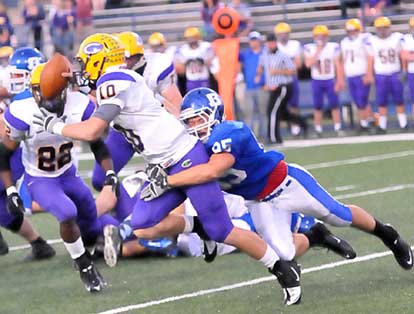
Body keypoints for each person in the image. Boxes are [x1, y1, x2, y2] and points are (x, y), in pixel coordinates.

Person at [33, 33, 304, 306]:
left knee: (223, 231)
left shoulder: (114, 81)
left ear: (100, 61)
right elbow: (93, 103)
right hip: (164, 165)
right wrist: (69, 87)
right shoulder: (114, 80)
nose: (81, 69)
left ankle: (282, 268)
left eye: (85, 62)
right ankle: (199, 227)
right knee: (142, 224)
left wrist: (52, 126)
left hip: (187, 157)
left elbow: (92, 130)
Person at [161, 87, 412, 274]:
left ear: (214, 114)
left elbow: (212, 171)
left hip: (286, 184)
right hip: (258, 201)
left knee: (340, 216)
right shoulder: (193, 144)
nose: (193, 126)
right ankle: (315, 236)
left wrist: (167, 181)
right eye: (189, 121)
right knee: (284, 253)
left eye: (198, 119)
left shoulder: (230, 132)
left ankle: (387, 234)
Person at [0, 60, 115, 293]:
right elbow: (4, 154)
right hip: (40, 178)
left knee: (90, 219)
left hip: (68, 173)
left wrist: (110, 173)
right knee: (67, 212)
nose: (44, 97)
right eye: (37, 91)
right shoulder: (22, 111)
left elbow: (97, 144)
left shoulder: (80, 105)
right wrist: (11, 190)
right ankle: (84, 266)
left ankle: (106, 237)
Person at [91, 31, 182, 193]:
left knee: (166, 180)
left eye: (128, 58)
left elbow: (176, 105)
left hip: (154, 130)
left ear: (140, 55)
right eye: (120, 57)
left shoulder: (156, 68)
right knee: (101, 179)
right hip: (123, 131)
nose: (124, 62)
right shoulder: (107, 71)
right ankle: (125, 210)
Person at [256, 33, 307, 144]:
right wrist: (259, 75)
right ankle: (302, 122)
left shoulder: (282, 55)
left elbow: (292, 70)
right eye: (268, 42)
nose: (270, 44)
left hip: (283, 86)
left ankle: (274, 138)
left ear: (275, 42)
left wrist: (278, 72)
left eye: (272, 42)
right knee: (282, 113)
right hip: (273, 88)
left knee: (272, 111)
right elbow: (261, 66)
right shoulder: (264, 54)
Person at [365, 16, 407, 133]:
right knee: (381, 101)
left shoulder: (397, 38)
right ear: (376, 29)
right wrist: (369, 73)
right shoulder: (372, 40)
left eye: (385, 28)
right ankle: (382, 126)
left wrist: (403, 69)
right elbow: (370, 58)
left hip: (395, 73)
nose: (382, 30)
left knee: (399, 100)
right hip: (380, 74)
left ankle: (403, 124)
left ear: (389, 28)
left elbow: (402, 55)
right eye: (380, 28)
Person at [304, 25, 345, 136]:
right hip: (317, 80)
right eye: (318, 36)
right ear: (314, 37)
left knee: (334, 105)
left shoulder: (333, 47)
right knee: (317, 105)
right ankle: (318, 129)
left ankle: (338, 127)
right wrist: (318, 50)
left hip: (330, 79)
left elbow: (338, 65)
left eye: (323, 36)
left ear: (327, 36)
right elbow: (308, 64)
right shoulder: (310, 48)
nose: (320, 38)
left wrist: (340, 80)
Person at [340, 18, 373, 133]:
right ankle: (366, 122)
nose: (352, 32)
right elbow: (343, 60)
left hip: (361, 74)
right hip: (351, 75)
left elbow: (370, 57)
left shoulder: (365, 39)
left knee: (362, 100)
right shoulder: (344, 42)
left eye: (354, 30)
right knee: (357, 101)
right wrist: (342, 78)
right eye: (350, 30)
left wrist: (368, 73)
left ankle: (365, 123)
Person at [274, 22, 303, 137]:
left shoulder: (295, 45)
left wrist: (282, 70)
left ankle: (295, 127)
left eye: (285, 33)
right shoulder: (275, 46)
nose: (283, 36)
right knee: (280, 106)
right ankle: (282, 128)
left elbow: (298, 64)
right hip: (278, 80)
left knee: (294, 104)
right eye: (280, 34)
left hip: (291, 79)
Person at [238, 31, 267, 141]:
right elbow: (235, 53)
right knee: (249, 113)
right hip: (249, 87)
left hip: (262, 87)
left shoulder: (265, 53)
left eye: (255, 40)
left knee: (263, 113)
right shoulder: (246, 54)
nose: (253, 42)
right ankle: (250, 138)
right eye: (252, 40)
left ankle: (264, 135)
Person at [175, 27, 219, 93]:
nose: (191, 40)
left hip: (204, 79)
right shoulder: (183, 50)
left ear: (198, 37)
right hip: (191, 81)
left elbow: (210, 62)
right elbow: (181, 71)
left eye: (193, 37)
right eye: (189, 38)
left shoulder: (206, 47)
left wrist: (200, 61)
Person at [400, 18, 414, 121]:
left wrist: (411, 55)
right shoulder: (406, 38)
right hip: (411, 72)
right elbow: (404, 56)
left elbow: (409, 56)